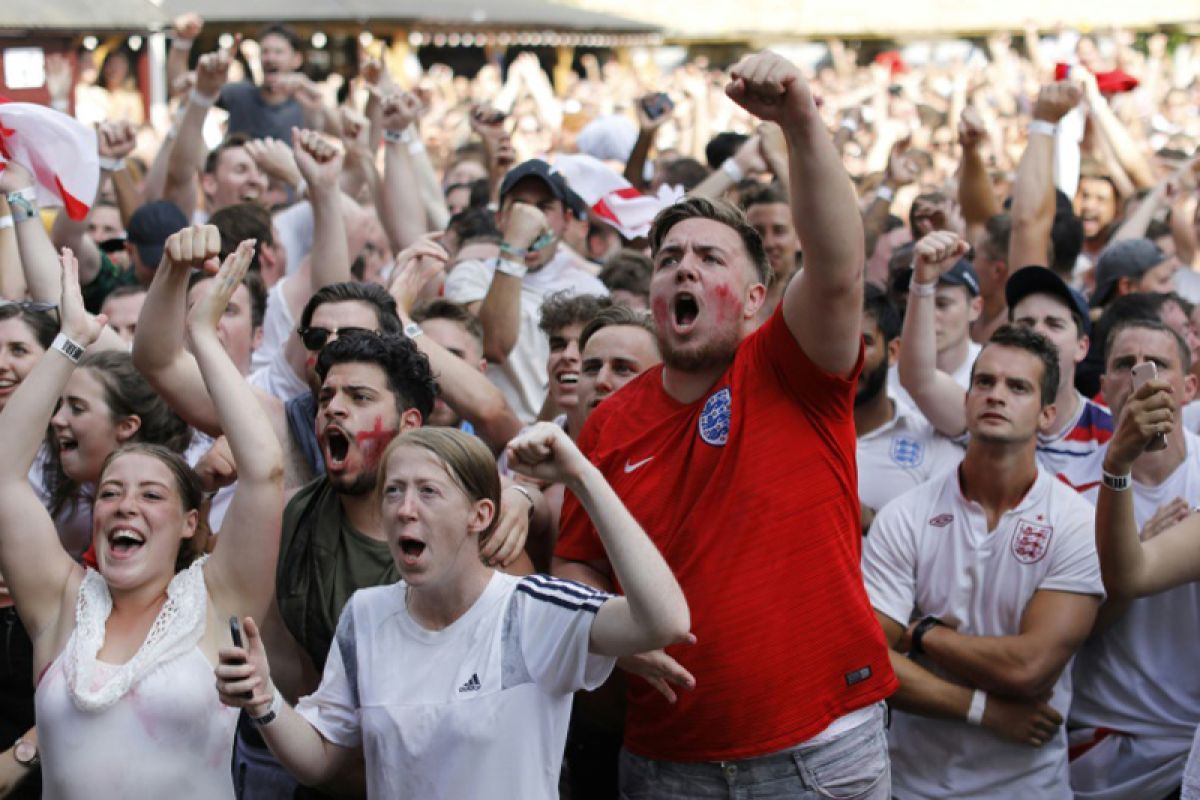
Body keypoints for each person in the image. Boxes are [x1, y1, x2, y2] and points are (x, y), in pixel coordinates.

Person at [554, 52, 896, 797]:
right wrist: (609, 627)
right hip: (667, 761)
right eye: (668, 258)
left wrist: (801, 122)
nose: (682, 268)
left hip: (822, 752)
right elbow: (576, 562)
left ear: (752, 300)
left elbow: (838, 268)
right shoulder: (609, 424)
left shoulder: (791, 367)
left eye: (709, 258)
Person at [215, 424, 690, 800]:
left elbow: (665, 621)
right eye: (394, 491)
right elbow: (320, 757)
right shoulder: (365, 614)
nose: (404, 508)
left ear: (480, 515)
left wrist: (581, 476)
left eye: (428, 491)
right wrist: (265, 702)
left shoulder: (532, 608)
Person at [0, 238, 283, 798]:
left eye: (152, 495)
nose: (126, 505)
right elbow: (5, 475)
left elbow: (265, 471)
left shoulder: (218, 600)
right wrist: (70, 343)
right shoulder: (60, 602)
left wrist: (202, 337)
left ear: (187, 522)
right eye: (111, 493)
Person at [863, 325, 1103, 798]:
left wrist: (923, 635)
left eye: (1018, 387)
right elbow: (866, 661)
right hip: (910, 785)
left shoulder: (1076, 521)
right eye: (985, 382)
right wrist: (981, 708)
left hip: (1029, 787)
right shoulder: (906, 516)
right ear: (968, 397)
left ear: (1047, 414)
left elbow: (1029, 668)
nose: (997, 396)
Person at [1065, 319, 1200, 800]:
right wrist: (1117, 471)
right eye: (1124, 364)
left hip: (1191, 741)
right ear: (1103, 387)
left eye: (1157, 365)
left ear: (1189, 387)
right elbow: (1069, 630)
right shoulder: (1063, 488)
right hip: (1108, 745)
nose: (1139, 377)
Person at [443, 159, 608, 423]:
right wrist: (515, 246)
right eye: (519, 206)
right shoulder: (471, 275)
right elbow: (492, 346)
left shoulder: (590, 289)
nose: (530, 218)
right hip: (491, 437)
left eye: (544, 207)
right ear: (500, 218)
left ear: (566, 220)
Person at [855, 284, 961, 533]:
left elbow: (947, 539)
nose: (850, 355)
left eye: (864, 342)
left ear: (893, 352)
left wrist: (870, 522)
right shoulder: (795, 434)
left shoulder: (932, 445)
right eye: (836, 339)